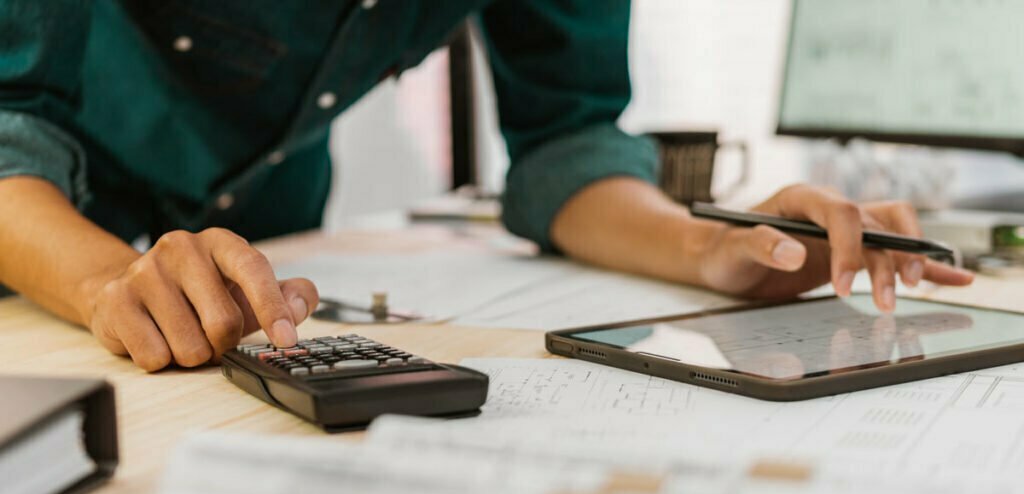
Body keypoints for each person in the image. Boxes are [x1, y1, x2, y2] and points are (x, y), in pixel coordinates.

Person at [0, 1, 973, 372]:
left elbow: (567, 139)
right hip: (40, 254)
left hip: (267, 255)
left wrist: (709, 247)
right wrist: (102, 279)